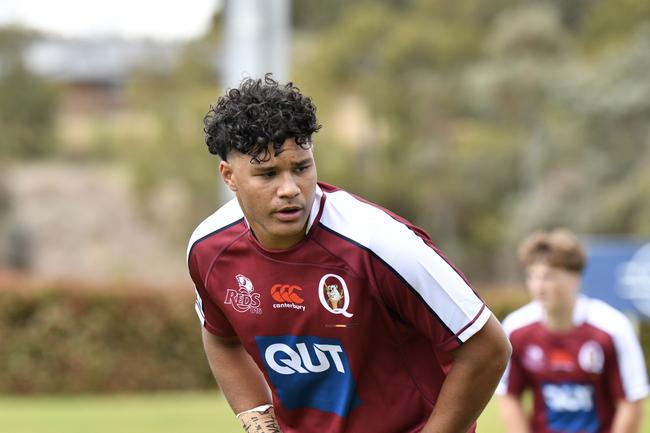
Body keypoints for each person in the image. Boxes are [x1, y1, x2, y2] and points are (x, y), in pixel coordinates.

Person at [187, 74, 511, 433]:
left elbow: (488, 347)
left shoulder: (380, 244)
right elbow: (219, 335)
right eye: (267, 175)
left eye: (301, 167)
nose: (290, 189)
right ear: (229, 176)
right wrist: (259, 422)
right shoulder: (209, 249)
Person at [496, 228, 649, 433]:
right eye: (532, 276)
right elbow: (508, 394)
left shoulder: (612, 327)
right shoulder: (516, 329)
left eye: (549, 276)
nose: (539, 286)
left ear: (574, 278)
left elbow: (631, 400)